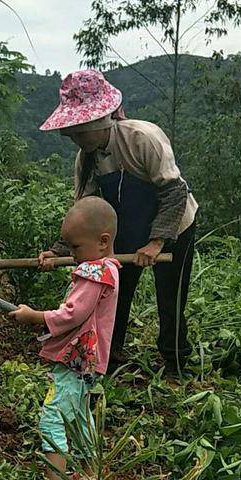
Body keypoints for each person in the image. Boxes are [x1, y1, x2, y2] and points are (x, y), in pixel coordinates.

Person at [38, 69, 197, 374]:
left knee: (170, 296)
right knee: (115, 289)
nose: (74, 139)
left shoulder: (141, 139)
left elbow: (174, 192)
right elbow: (84, 212)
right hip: (126, 225)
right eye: (70, 133)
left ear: (102, 120)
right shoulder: (86, 159)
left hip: (174, 225)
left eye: (79, 131)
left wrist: (156, 242)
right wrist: (58, 250)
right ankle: (110, 357)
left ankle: (175, 363)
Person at [10, 196, 119, 480]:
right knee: (80, 416)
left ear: (102, 241)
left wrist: (37, 316)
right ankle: (90, 476)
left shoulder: (96, 273)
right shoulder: (110, 269)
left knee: (54, 417)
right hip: (89, 362)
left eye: (75, 247)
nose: (71, 255)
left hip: (77, 361)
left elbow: (74, 313)